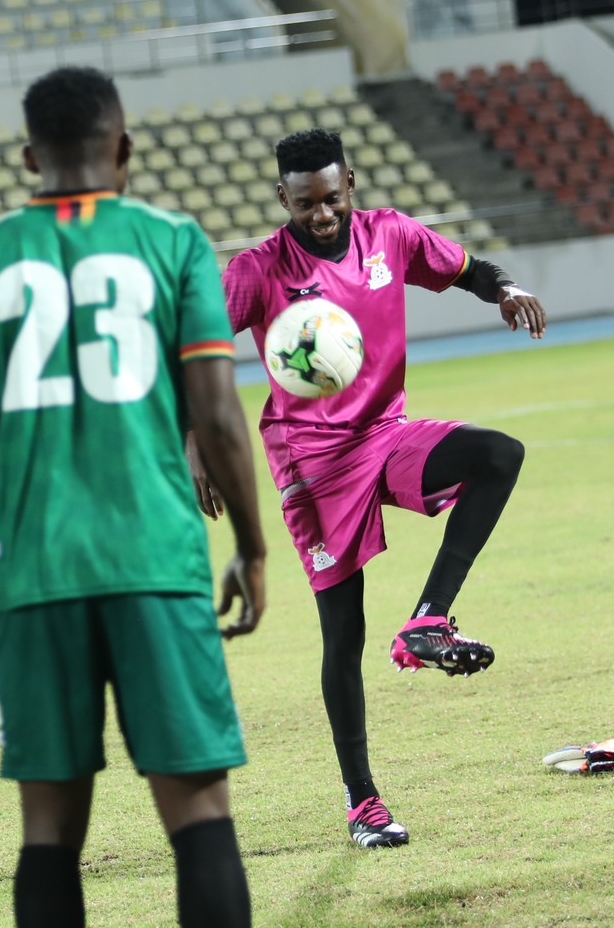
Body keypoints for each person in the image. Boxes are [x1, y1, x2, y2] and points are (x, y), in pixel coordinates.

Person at [0, 66, 269, 928]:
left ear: (29, 156)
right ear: (123, 148)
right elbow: (214, 411)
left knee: (48, 827)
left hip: (33, 572)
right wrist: (249, 545)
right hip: (157, 559)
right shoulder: (171, 243)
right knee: (196, 807)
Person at [192, 128, 546, 849]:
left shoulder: (391, 236)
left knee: (498, 455)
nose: (320, 215)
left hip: (385, 434)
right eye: (304, 204)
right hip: (312, 461)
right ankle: (363, 801)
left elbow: (473, 268)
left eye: (330, 198)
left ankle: (428, 619)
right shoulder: (258, 268)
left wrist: (506, 289)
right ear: (281, 198)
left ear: (350, 183)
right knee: (342, 631)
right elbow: (194, 344)